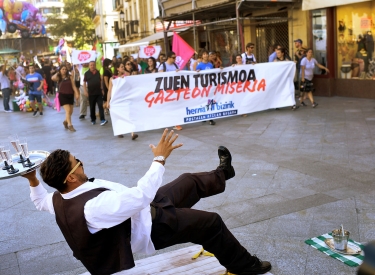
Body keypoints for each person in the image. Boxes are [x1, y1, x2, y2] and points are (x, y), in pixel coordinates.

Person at [22, 129, 272, 275]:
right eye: (79, 162)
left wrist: (33, 178)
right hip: (152, 227)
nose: (82, 161)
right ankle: (245, 267)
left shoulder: (59, 197)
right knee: (211, 223)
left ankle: (223, 173)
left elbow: (40, 201)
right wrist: (160, 158)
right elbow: (140, 195)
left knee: (188, 180)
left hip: (146, 209)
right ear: (72, 177)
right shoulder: (94, 208)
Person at [106, 62, 139, 140]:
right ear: (117, 68)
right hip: (116, 100)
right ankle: (119, 131)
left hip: (124, 99)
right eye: (121, 67)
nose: (123, 68)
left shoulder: (126, 77)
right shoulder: (112, 79)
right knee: (118, 116)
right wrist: (108, 101)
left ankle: (132, 133)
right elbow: (110, 90)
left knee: (128, 115)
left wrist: (125, 73)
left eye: (123, 67)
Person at [158, 51, 183, 131]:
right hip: (166, 91)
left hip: (175, 90)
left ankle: (176, 123)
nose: (175, 59)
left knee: (175, 106)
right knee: (167, 107)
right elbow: (159, 76)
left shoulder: (176, 65)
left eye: (175, 57)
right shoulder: (163, 66)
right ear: (169, 58)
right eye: (173, 57)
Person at [51, 65, 80, 132]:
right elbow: (52, 78)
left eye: (65, 69)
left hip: (70, 94)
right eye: (62, 69)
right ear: (60, 70)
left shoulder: (70, 77)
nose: (64, 70)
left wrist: (77, 93)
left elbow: (73, 86)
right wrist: (57, 72)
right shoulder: (59, 77)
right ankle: (70, 125)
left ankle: (65, 121)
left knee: (71, 111)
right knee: (68, 110)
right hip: (62, 95)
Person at [83, 61, 108, 126]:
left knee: (100, 106)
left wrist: (102, 89)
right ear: (89, 66)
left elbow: (101, 81)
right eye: (91, 65)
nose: (92, 66)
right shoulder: (86, 73)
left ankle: (102, 119)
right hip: (91, 93)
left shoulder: (98, 72)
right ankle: (93, 119)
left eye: (93, 65)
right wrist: (85, 91)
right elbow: (84, 83)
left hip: (98, 92)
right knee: (92, 107)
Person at [196, 50, 217, 126]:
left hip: (210, 85)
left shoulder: (210, 64)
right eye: (204, 54)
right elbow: (196, 76)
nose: (205, 55)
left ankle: (210, 118)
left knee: (210, 100)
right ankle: (204, 115)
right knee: (204, 100)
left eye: (206, 54)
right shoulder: (199, 65)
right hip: (203, 86)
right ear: (202, 56)